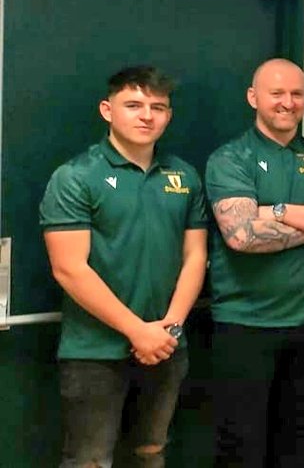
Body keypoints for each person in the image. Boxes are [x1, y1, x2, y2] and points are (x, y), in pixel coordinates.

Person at [39, 66, 208, 468]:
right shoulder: (75, 176)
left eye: (158, 107)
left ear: (168, 115)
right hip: (95, 351)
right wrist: (137, 331)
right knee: (89, 461)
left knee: (152, 453)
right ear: (107, 110)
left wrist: (169, 328)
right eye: (133, 105)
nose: (146, 115)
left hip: (167, 346)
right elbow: (69, 269)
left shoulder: (183, 175)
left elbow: (195, 256)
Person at [205, 58, 304, 467]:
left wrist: (276, 211)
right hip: (244, 326)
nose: (287, 103)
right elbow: (241, 235)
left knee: (298, 441)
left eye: (296, 94)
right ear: (253, 97)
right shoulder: (230, 158)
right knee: (241, 446)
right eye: (277, 93)